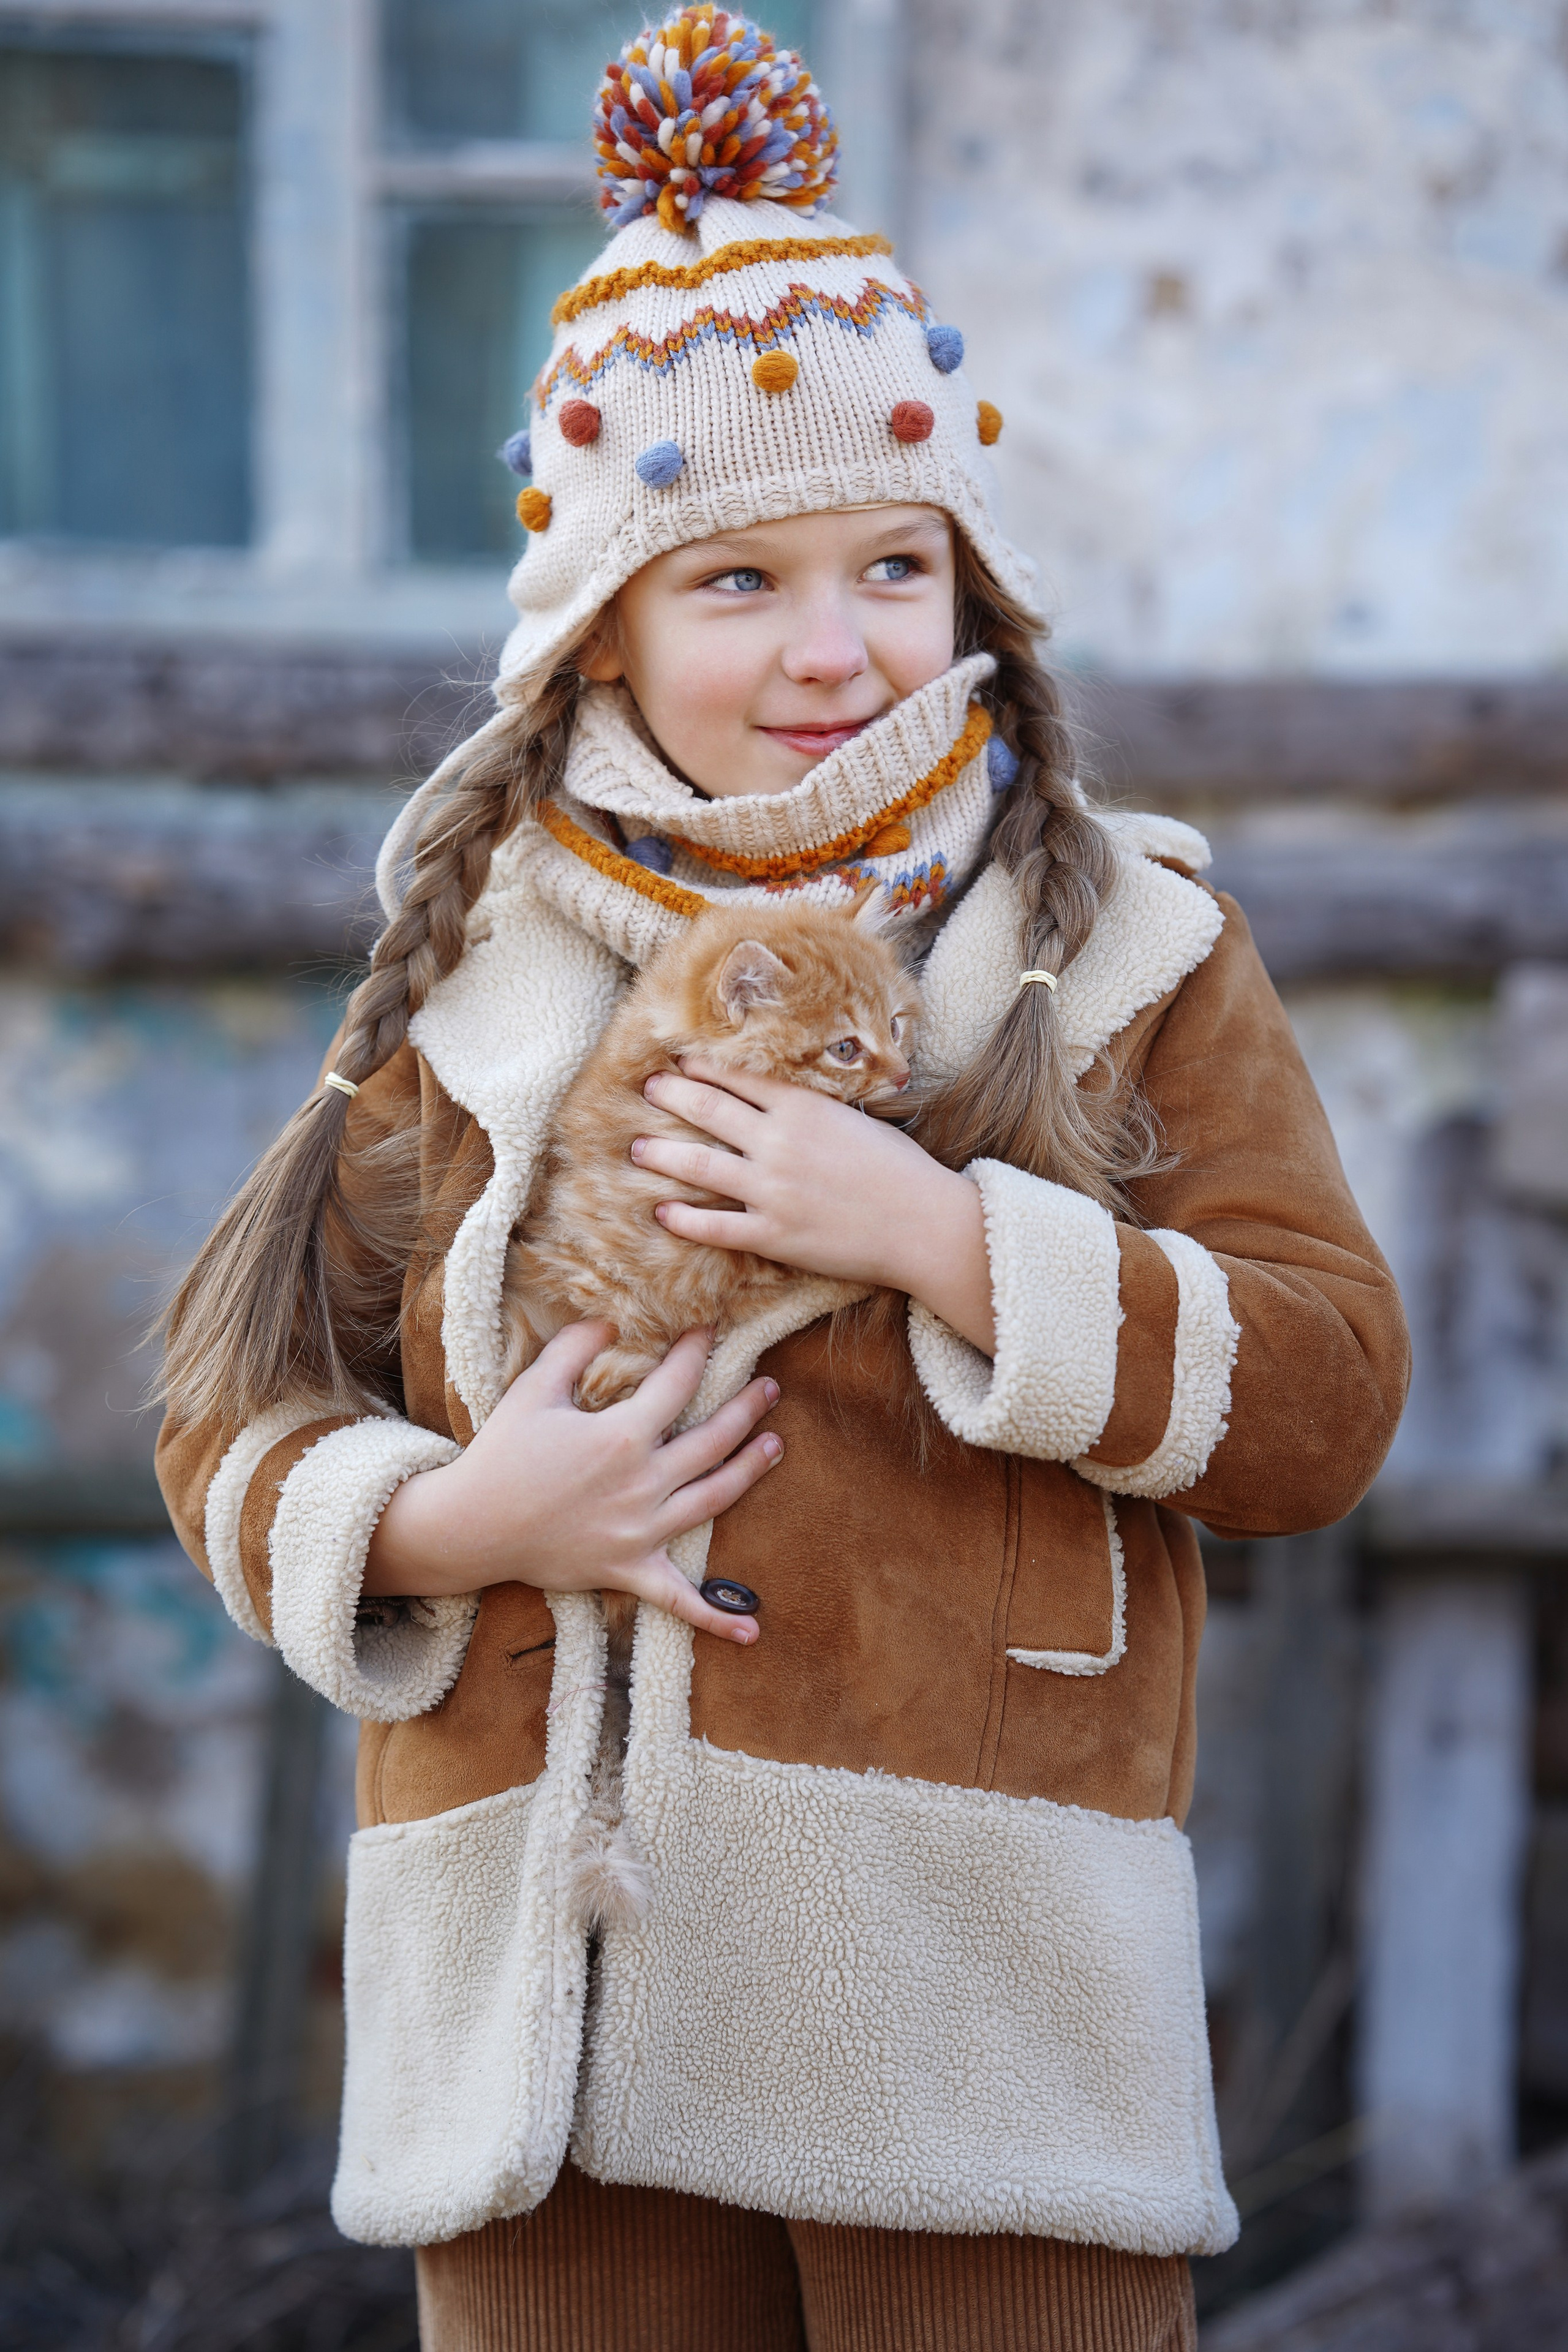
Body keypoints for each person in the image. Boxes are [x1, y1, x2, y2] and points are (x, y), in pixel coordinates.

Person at [155, 9, 1409, 2347]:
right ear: (599, 630)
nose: (836, 649)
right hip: (548, 2031)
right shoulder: (483, 979)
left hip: (974, 2024)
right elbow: (233, 1420)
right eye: (735, 580)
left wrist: (939, 1240)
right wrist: (455, 1523)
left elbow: (1327, 1401)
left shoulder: (1123, 950)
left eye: (894, 565)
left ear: (972, 583)